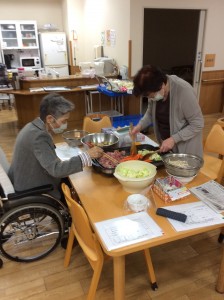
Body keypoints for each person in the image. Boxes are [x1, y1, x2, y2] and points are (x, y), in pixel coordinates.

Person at [8, 93, 104, 199]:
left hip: (23, 178)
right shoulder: (39, 136)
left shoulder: (32, 126)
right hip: (33, 187)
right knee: (81, 186)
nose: (65, 124)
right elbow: (56, 170)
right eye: (64, 121)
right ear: (50, 119)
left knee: (74, 177)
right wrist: (87, 156)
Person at [132, 65, 204, 158]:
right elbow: (150, 114)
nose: (150, 99)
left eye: (151, 96)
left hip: (185, 149)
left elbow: (197, 123)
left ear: (162, 85)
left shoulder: (184, 91)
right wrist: (139, 126)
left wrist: (173, 139)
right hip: (167, 146)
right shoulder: (155, 90)